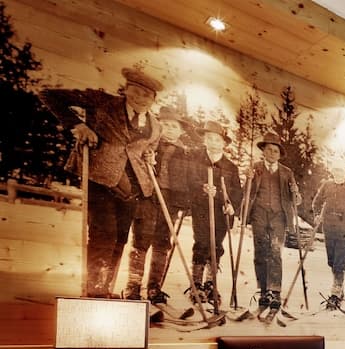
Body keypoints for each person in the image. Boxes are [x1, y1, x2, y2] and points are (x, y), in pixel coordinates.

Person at [41, 66, 163, 298]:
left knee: (120, 238)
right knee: (103, 233)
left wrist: (149, 154)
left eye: (147, 95)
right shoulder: (103, 102)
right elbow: (49, 95)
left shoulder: (156, 125)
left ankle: (106, 288)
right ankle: (95, 290)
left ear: (153, 99)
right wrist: (78, 125)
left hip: (134, 186)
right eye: (136, 91)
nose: (140, 98)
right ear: (126, 89)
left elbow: (149, 148)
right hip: (101, 178)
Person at [124, 106, 190, 304]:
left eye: (174, 126)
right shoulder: (148, 145)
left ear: (181, 131)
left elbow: (189, 181)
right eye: (165, 125)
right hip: (148, 196)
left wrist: (185, 203)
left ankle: (154, 287)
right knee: (141, 240)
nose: (170, 129)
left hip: (170, 201)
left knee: (162, 243)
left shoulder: (185, 153)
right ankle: (133, 286)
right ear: (158, 126)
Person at [243, 132, 301, 312]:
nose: (272, 153)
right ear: (263, 151)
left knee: (275, 251)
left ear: (279, 154)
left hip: (279, 217)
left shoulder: (287, 172)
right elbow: (246, 192)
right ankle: (263, 291)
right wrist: (248, 179)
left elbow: (296, 199)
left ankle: (275, 292)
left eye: (275, 151)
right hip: (259, 215)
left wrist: (295, 193)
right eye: (268, 149)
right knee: (260, 251)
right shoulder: (255, 168)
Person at [186, 120, 241, 307]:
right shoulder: (195, 159)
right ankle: (196, 285)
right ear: (204, 139)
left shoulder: (231, 167)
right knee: (201, 242)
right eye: (209, 138)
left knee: (216, 245)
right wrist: (202, 187)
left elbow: (237, 192)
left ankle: (211, 283)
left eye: (217, 139)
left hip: (221, 212)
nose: (213, 142)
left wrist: (231, 206)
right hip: (201, 209)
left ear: (224, 143)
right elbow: (190, 180)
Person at [311, 159, 345, 310]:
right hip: (328, 229)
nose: (338, 173)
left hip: (343, 231)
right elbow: (316, 203)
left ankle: (335, 294)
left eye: (341, 171)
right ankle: (339, 289)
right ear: (332, 172)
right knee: (332, 262)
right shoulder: (326, 185)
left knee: (339, 264)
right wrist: (317, 215)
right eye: (336, 170)